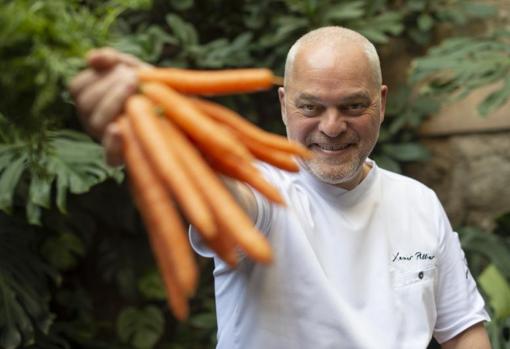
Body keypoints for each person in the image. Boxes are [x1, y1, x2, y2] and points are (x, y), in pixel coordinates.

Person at [70, 26, 491, 349]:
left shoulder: (417, 201)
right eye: (311, 107)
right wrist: (155, 128)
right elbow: (216, 197)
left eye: (353, 106)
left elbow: (461, 332)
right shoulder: (260, 191)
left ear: (382, 102)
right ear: (284, 105)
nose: (331, 126)